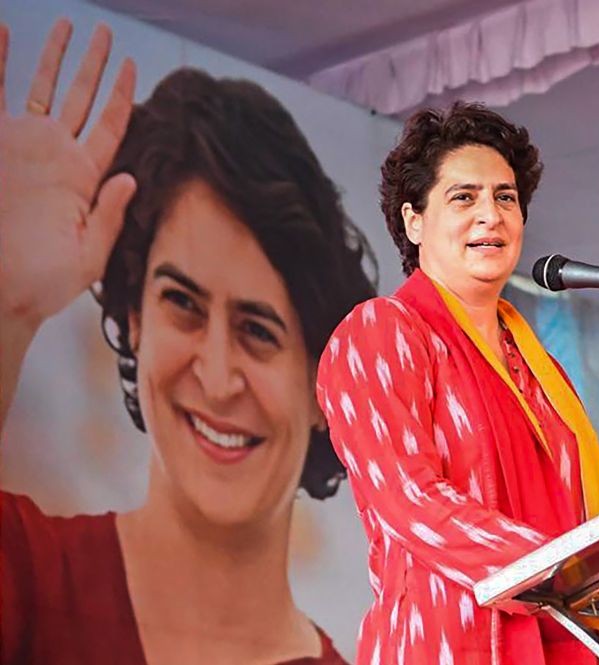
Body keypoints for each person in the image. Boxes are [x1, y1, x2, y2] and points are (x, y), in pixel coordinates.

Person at [0, 20, 374, 664]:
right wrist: (8, 309)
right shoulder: (26, 573)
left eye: (259, 332)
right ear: (135, 321)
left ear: (322, 390)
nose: (218, 375)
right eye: (183, 305)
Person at [317, 103, 599, 664]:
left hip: (567, 641)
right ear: (413, 221)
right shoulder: (381, 331)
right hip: (450, 644)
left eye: (506, 198)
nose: (491, 215)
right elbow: (411, 500)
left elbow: (579, 517)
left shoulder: (541, 371)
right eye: (464, 197)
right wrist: (571, 572)